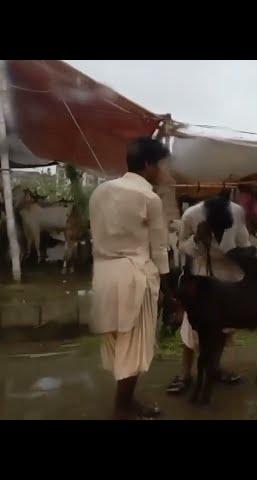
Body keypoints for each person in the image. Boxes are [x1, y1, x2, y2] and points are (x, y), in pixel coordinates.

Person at [89, 137, 176, 420]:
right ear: (149, 165)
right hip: (134, 277)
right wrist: (167, 287)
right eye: (162, 165)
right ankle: (123, 407)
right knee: (133, 345)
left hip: (103, 275)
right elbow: (159, 248)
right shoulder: (149, 198)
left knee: (116, 341)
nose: (164, 172)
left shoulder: (99, 192)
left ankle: (124, 401)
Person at [166, 195, 251, 395]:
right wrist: (196, 240)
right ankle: (185, 375)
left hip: (229, 278)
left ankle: (214, 369)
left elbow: (245, 245)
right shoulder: (191, 215)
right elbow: (181, 245)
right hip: (203, 278)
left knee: (222, 330)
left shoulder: (238, 212)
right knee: (191, 329)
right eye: (217, 231)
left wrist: (237, 254)